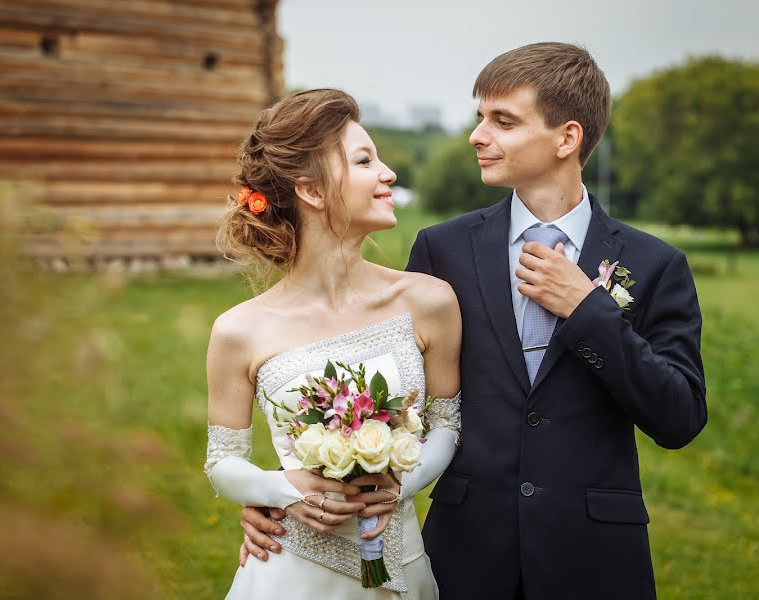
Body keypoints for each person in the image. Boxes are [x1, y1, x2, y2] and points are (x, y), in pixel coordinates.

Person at [242, 43, 707, 599]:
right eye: (479, 117)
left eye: (502, 121)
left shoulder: (656, 265)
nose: (477, 136)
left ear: (567, 138)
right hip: (464, 556)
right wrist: (283, 492)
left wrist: (589, 310)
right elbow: (381, 402)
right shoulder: (444, 251)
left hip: (594, 558)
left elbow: (679, 417)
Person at [205, 88, 462, 599]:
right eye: (366, 160)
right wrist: (284, 490)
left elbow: (447, 425)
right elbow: (222, 461)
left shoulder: (429, 302)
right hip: (288, 573)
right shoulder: (239, 330)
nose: (388, 173)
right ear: (313, 192)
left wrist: (399, 487)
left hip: (402, 565)